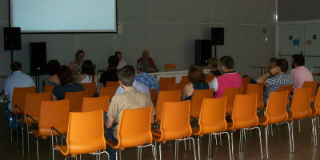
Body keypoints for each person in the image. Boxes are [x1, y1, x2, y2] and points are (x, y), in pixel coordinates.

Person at [105, 65, 155, 160]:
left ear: (120, 82)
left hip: (123, 135)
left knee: (107, 126)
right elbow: (152, 121)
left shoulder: (117, 99)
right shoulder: (146, 97)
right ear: (134, 78)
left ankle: (112, 155)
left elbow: (108, 125)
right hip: (143, 133)